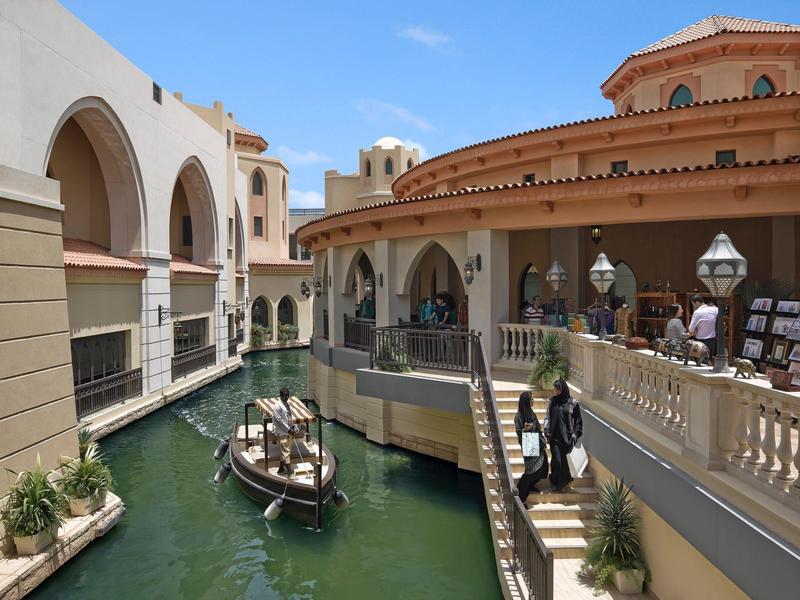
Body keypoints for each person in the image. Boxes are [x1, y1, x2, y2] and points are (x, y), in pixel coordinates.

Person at [544, 378, 582, 492]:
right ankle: (555, 482)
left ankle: (564, 483)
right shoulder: (552, 401)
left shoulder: (572, 403)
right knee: (557, 460)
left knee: (565, 463)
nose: (556, 392)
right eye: (555, 390)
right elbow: (547, 416)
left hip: (568, 439)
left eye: (558, 390)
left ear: (563, 389)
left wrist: (575, 434)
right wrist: (546, 429)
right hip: (554, 437)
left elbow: (578, 421)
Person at [514, 392, 548, 503]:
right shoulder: (518, 417)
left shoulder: (531, 413)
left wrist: (534, 428)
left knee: (542, 468)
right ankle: (520, 497)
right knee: (531, 472)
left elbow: (538, 426)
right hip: (529, 444)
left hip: (537, 442)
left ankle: (531, 485)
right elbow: (519, 433)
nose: (533, 401)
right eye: (531, 399)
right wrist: (525, 430)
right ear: (526, 402)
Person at [273, 388, 299, 477]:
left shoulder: (287, 404)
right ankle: (290, 472)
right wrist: (288, 429)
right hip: (283, 433)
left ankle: (280, 469)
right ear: (281, 396)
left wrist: (293, 427)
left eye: (288, 395)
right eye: (285, 395)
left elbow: (289, 417)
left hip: (289, 432)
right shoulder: (277, 406)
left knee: (285, 452)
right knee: (286, 452)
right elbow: (279, 421)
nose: (287, 397)